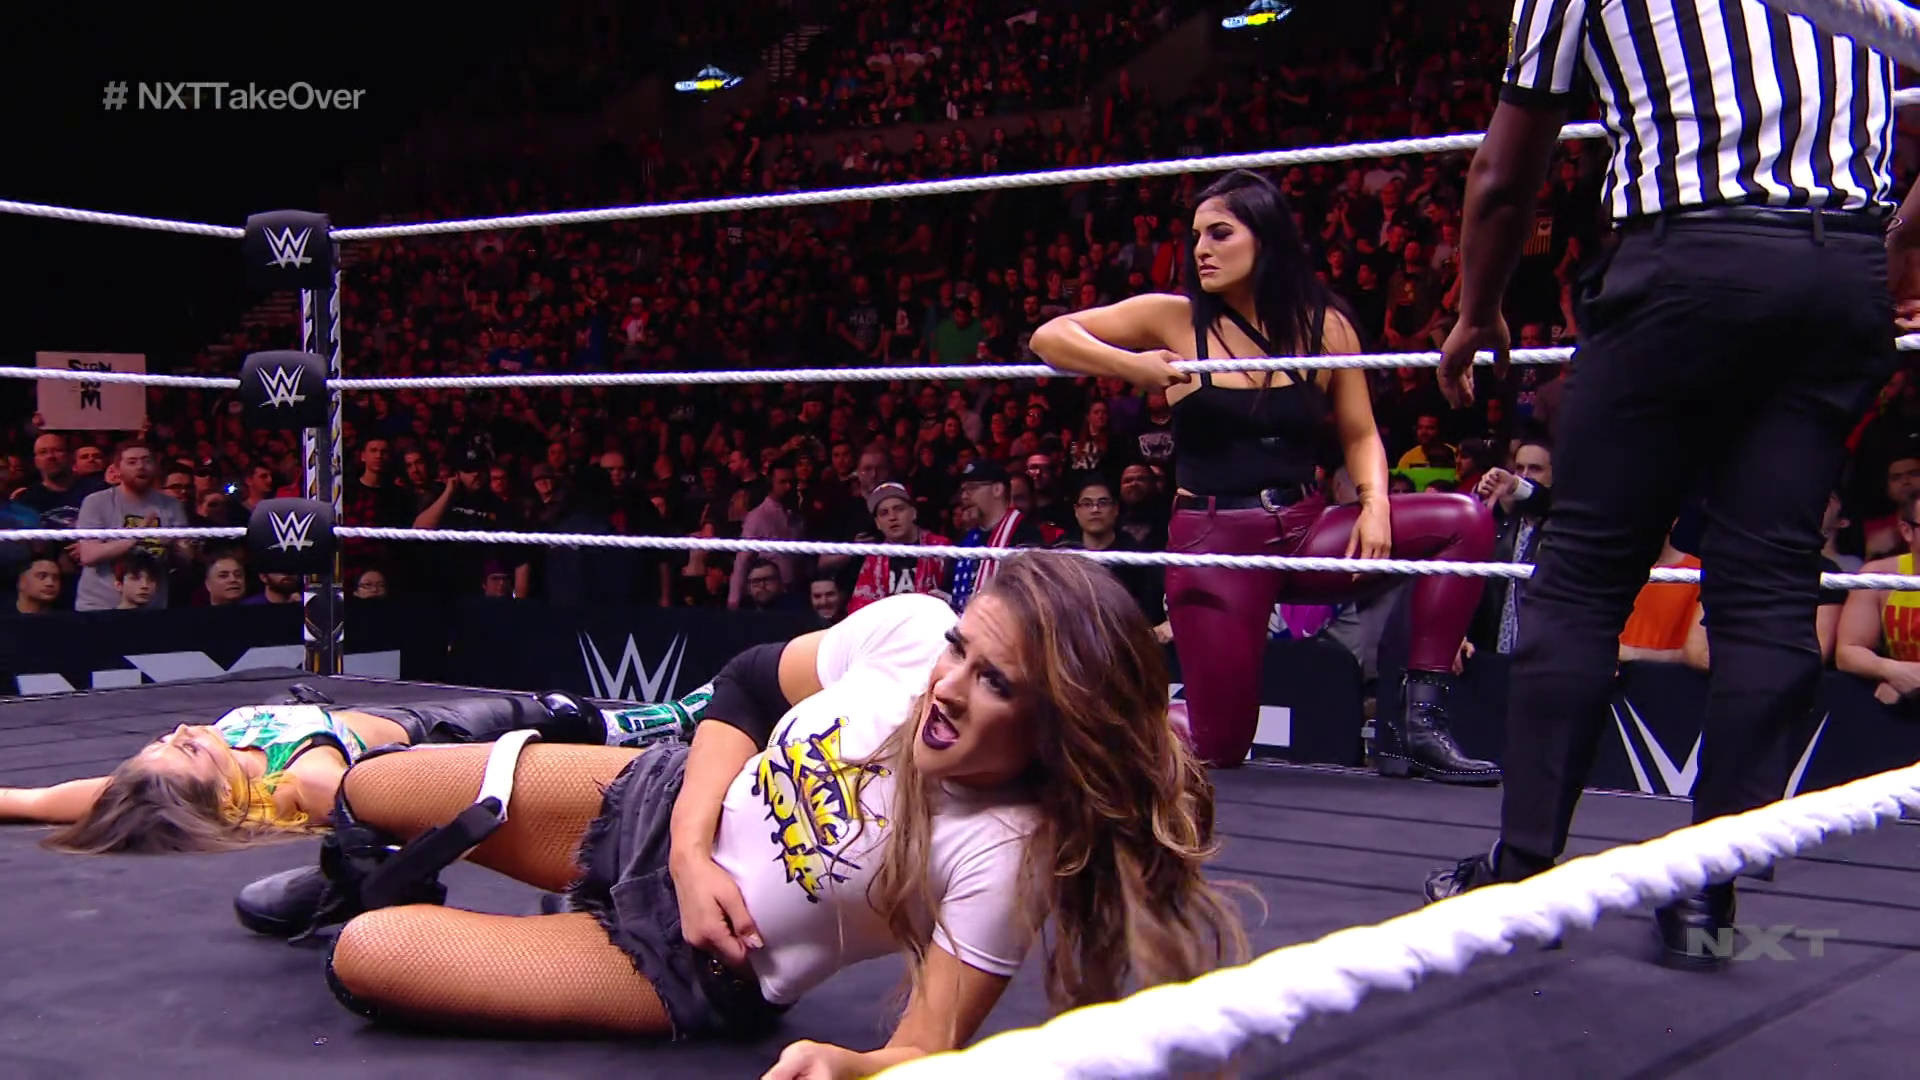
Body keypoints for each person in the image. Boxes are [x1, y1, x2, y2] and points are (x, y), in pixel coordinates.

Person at [231, 553, 1245, 1078]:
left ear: (1056, 725)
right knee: (367, 785)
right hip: (655, 802)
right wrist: (688, 849)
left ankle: (412, 903)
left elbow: (926, 1046)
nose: (948, 686)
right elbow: (750, 685)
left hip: (681, 963)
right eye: (962, 652)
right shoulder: (909, 633)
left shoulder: (1004, 850)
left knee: (365, 961)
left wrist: (853, 1066)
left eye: (997, 683)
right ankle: (351, 870)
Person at [1424, 0, 1905, 967]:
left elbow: (1505, 175)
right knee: (1769, 584)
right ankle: (1706, 897)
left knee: (1585, 570)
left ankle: (1522, 874)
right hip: (1841, 268)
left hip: (1689, 258)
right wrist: (1891, 249)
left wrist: (1478, 308)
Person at [1028, 169, 1500, 779]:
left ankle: (1418, 727)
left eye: (1220, 233)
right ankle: (1108, 724)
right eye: (1196, 236)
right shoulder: (1176, 318)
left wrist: (1376, 503)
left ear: (1266, 237)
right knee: (1221, 745)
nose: (1201, 250)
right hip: (1214, 543)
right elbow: (1049, 336)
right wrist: (1132, 367)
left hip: (1306, 530)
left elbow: (1360, 432)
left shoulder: (1325, 326)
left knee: (1464, 521)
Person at [0, 686, 714, 857]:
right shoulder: (302, 779)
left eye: (166, 738)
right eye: (187, 750)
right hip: (438, 735)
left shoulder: (149, 787)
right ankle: (679, 722)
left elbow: (32, 798)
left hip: (394, 716)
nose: (183, 730)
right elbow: (397, 806)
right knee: (558, 717)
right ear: (213, 792)